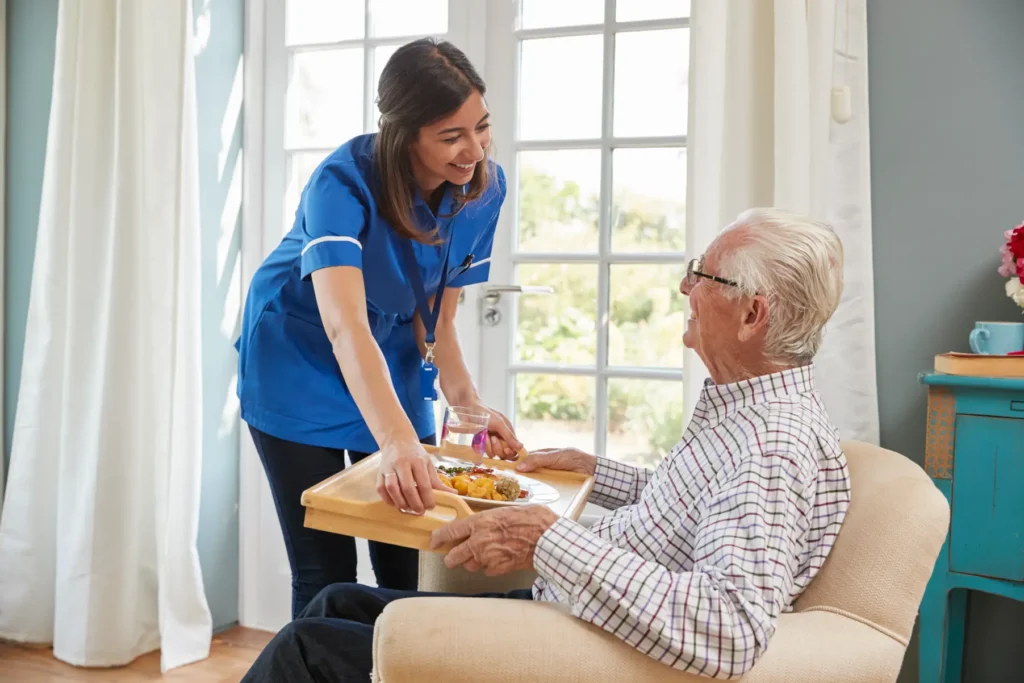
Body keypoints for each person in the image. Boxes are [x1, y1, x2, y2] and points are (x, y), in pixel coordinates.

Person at [239, 207, 853, 681]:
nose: (685, 286)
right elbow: (696, 509)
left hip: (578, 645)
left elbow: (730, 627)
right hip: (570, 611)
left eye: (703, 274)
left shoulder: (772, 447)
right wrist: (595, 469)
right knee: (333, 602)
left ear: (753, 315)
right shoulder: (750, 414)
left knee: (306, 649)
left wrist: (544, 537)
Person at [234, 38, 522, 618]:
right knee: (324, 567)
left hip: (387, 349)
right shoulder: (341, 183)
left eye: (482, 127)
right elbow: (344, 327)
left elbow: (436, 316)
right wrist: (395, 440)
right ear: (405, 133)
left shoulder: (484, 189)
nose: (474, 150)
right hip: (299, 351)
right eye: (451, 136)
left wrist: (468, 406)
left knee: (408, 550)